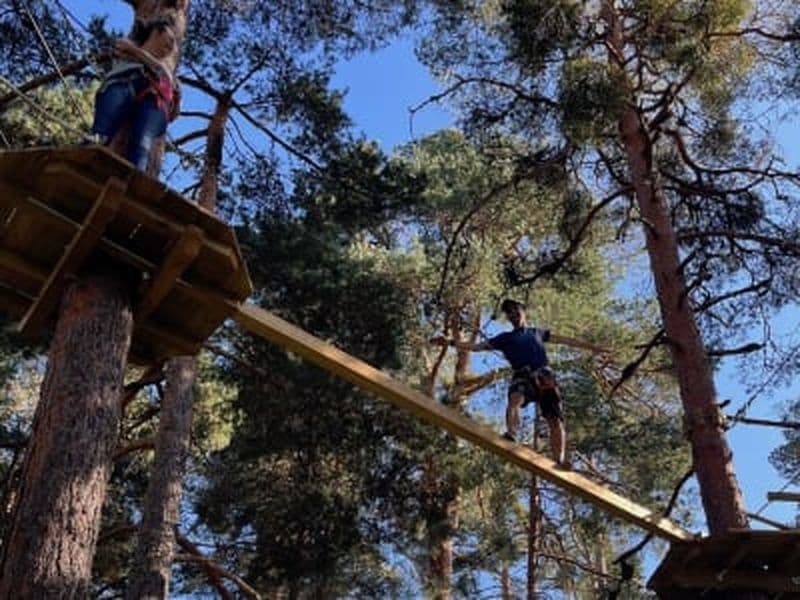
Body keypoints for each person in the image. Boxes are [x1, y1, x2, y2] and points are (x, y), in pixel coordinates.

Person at [431, 298, 607, 466]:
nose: (514, 315)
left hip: (544, 376)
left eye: (516, 312)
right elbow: (476, 347)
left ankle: (558, 460)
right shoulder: (504, 338)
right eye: (510, 314)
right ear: (509, 319)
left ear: (523, 312)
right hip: (522, 375)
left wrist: (593, 348)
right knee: (515, 399)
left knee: (555, 419)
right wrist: (450, 342)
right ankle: (512, 434)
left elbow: (566, 340)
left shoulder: (537, 333)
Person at [89, 17, 180, 171]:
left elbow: (164, 74)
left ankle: (136, 174)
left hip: (154, 98)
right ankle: (90, 149)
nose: (172, 47)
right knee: (103, 126)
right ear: (157, 32)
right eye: (170, 39)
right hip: (125, 81)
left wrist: (136, 54)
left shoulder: (165, 71)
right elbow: (121, 45)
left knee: (142, 142)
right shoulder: (127, 46)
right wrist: (140, 55)